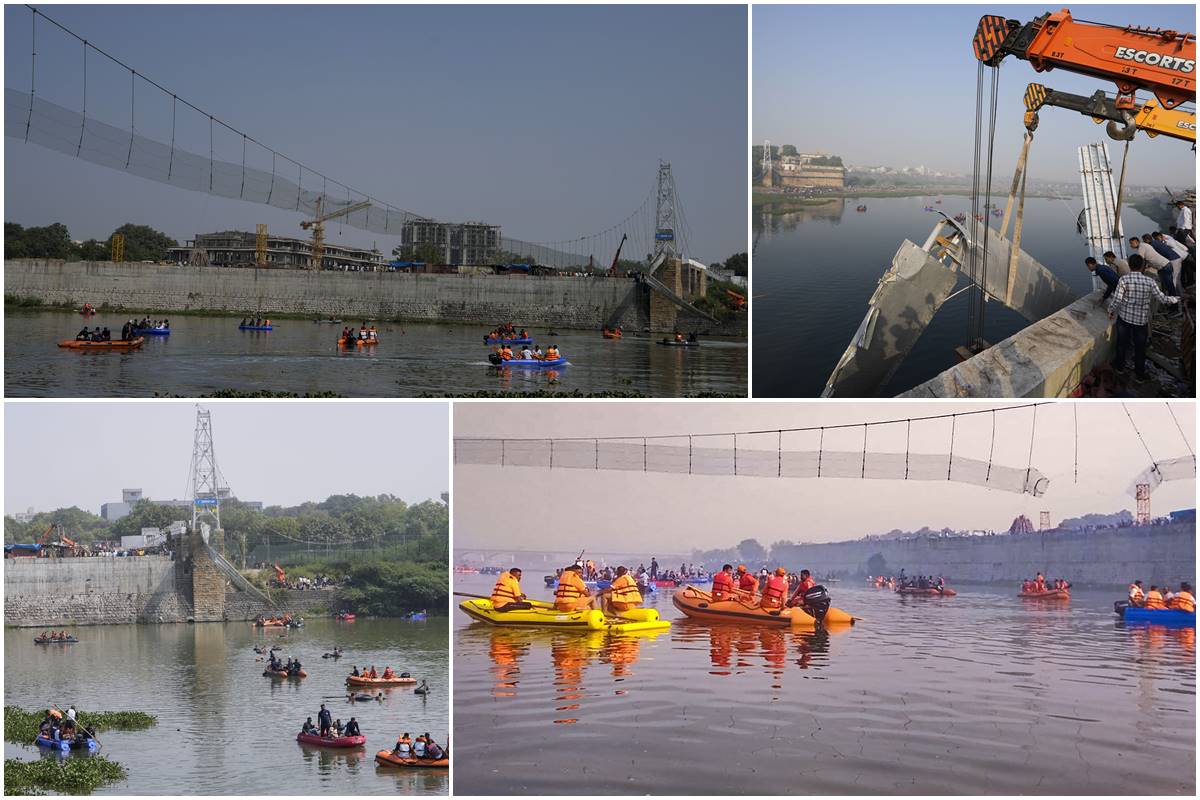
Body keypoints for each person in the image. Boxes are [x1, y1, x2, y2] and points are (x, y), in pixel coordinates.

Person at [1108, 254, 1179, 380]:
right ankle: (1139, 375)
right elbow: (1162, 299)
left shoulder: (1123, 280)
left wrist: (1110, 310)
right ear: (1142, 266)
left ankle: (1119, 367)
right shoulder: (1150, 281)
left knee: (1121, 344)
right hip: (1141, 321)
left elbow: (1117, 300)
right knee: (1140, 348)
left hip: (1124, 319)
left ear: (1129, 266)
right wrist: (1176, 299)